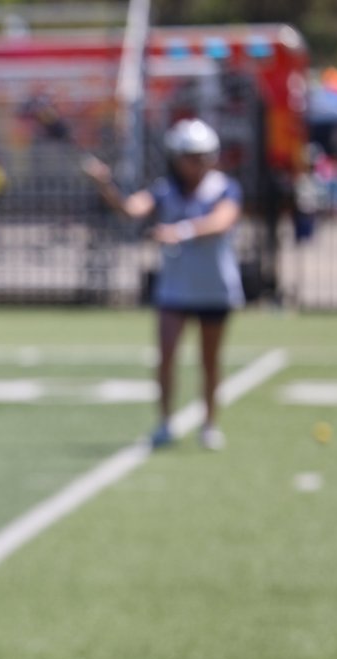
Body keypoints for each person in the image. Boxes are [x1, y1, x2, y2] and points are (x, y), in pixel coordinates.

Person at [82, 117, 243, 451]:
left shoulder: (224, 187)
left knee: (210, 360)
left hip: (214, 289)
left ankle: (210, 424)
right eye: (188, 156)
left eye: (200, 156)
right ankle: (165, 422)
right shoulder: (164, 188)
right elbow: (130, 209)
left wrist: (180, 231)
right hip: (175, 289)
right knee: (166, 355)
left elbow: (221, 221)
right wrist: (105, 184)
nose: (194, 163)